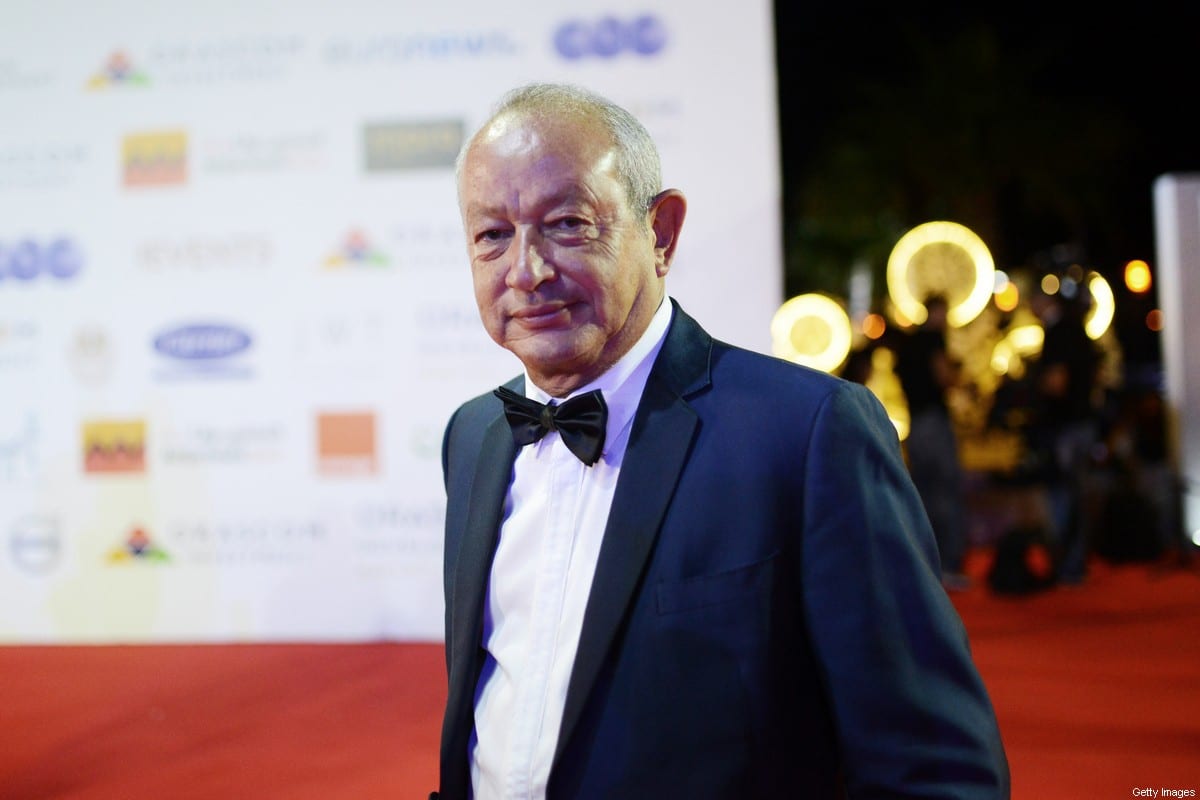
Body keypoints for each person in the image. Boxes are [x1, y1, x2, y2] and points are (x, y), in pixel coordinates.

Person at [434, 82, 1009, 799]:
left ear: (661, 234)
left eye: (567, 223)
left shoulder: (808, 433)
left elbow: (934, 767)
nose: (526, 270)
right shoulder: (474, 437)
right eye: (492, 235)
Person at [893, 293, 973, 591]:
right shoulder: (932, 341)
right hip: (933, 423)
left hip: (916, 424)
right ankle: (948, 564)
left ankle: (925, 564)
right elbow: (944, 378)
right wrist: (958, 375)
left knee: (923, 495)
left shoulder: (908, 342)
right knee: (945, 493)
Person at [1027, 279, 1101, 584]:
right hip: (1081, 422)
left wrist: (1032, 387)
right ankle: (1073, 562)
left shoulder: (1058, 333)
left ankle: (1068, 565)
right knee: (1075, 493)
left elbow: (1057, 382)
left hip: (1066, 426)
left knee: (1064, 496)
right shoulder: (1079, 331)